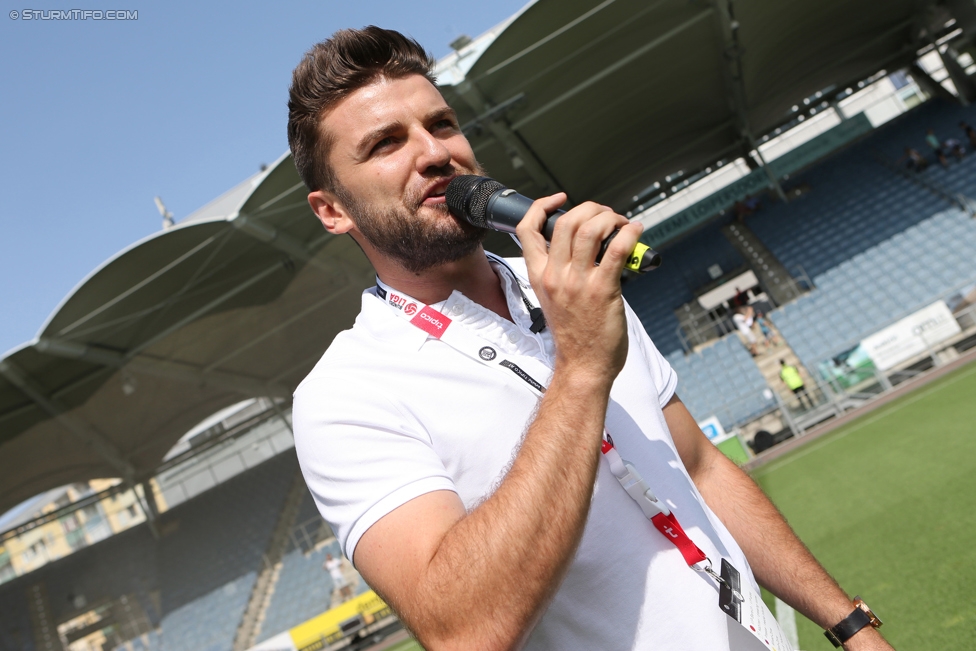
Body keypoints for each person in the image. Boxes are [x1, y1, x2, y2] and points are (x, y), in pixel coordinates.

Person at [288, 27, 893, 651]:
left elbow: (699, 466)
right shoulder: (343, 396)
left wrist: (847, 624)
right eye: (386, 143)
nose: (434, 152)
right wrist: (579, 369)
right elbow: (462, 631)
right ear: (332, 210)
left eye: (440, 125)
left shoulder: (574, 283)